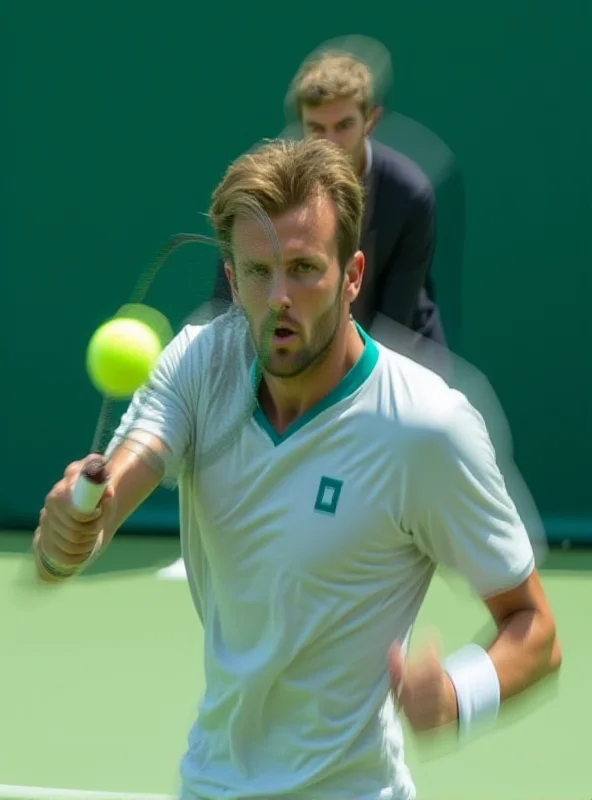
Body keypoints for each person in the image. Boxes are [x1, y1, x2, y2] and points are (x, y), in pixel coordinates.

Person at [34, 138, 561, 800]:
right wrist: (74, 528)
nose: (279, 297)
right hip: (211, 782)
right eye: (257, 272)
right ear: (231, 277)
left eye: (305, 268)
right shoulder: (198, 365)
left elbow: (534, 630)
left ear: (353, 274)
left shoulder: (427, 426)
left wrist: (459, 693)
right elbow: (113, 492)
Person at [211, 50, 448, 364]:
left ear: (370, 120)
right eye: (317, 128)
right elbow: (230, 298)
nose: (331, 142)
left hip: (404, 354)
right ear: (301, 126)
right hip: (301, 354)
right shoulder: (264, 186)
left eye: (344, 125)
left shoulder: (410, 193)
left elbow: (395, 322)